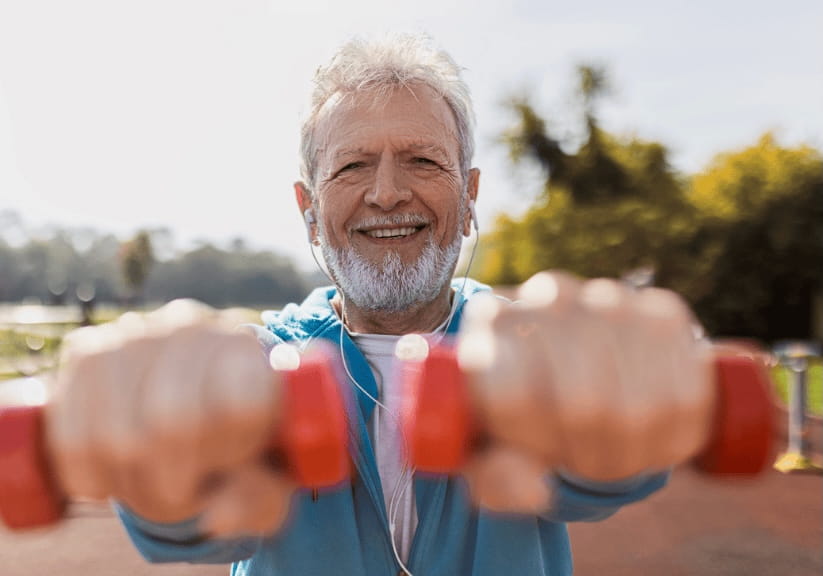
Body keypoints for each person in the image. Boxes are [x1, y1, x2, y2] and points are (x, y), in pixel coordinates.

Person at [48, 33, 714, 575]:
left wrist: (624, 426)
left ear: (469, 193)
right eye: (350, 167)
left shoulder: (525, 351)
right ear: (308, 210)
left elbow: (593, 471)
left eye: (423, 161)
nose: (388, 193)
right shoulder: (260, 366)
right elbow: (200, 518)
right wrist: (165, 483)